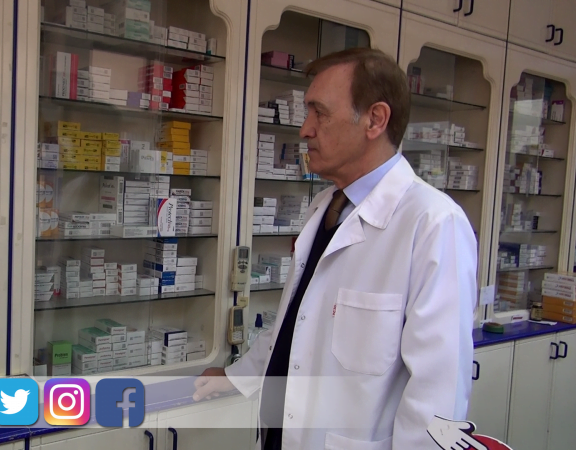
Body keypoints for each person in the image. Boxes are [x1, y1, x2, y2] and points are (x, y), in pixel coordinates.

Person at [193, 47, 477, 450]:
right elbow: (296, 324)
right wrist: (238, 375)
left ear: (375, 120)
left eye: (320, 113)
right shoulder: (326, 206)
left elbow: (439, 394)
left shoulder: (432, 223)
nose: (305, 129)